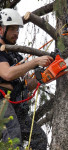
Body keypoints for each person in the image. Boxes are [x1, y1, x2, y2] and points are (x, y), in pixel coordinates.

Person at [0, 8, 53, 150]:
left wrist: (46, 74)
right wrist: (34, 62)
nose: (16, 33)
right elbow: (7, 74)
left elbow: (27, 85)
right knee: (13, 136)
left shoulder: (15, 56)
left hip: (15, 104)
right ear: (1, 29)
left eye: (17, 29)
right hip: (1, 102)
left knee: (38, 138)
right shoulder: (0, 51)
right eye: (12, 29)